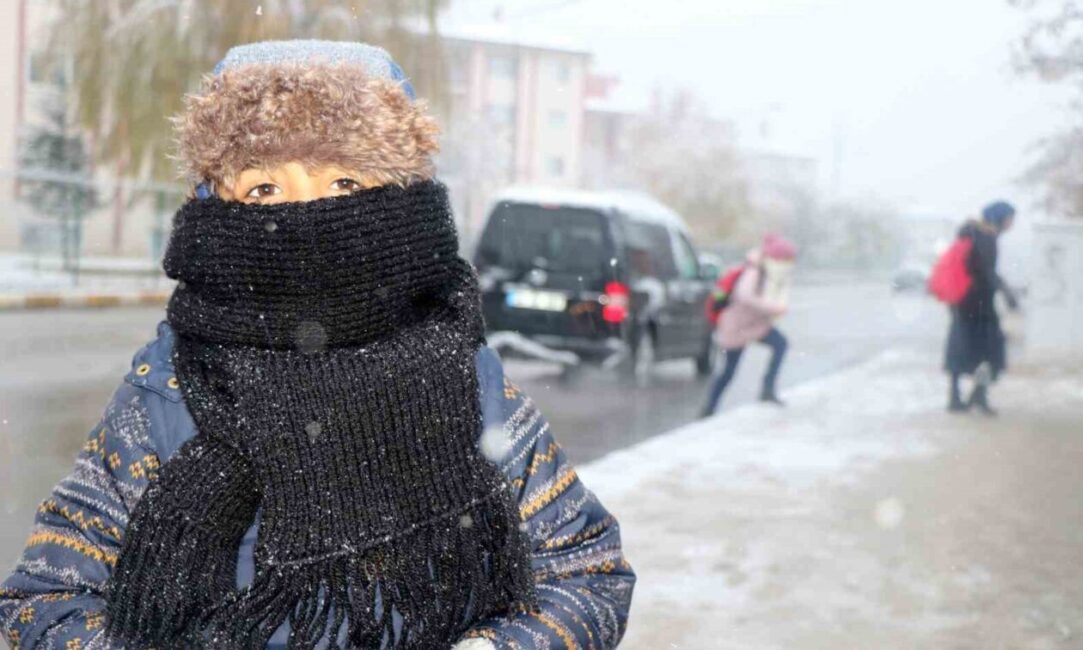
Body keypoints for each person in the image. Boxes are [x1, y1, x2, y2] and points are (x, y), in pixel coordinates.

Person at [0, 41, 634, 650]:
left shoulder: (463, 377)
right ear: (212, 208)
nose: (306, 218)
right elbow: (48, 596)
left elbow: (585, 574)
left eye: (345, 186)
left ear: (402, 201)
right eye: (264, 189)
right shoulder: (168, 389)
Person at [701, 233, 797, 417]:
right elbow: (744, 296)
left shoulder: (765, 270)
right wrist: (772, 307)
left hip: (753, 325)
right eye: (784, 258)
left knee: (780, 344)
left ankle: (767, 390)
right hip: (737, 327)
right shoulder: (753, 270)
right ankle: (709, 408)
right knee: (728, 371)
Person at [945, 200, 1019, 415]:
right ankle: (979, 395)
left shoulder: (970, 233)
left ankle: (956, 397)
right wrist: (1006, 292)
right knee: (991, 351)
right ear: (1000, 217)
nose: (1012, 223)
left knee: (961, 347)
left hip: (961, 302)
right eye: (1010, 218)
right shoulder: (987, 237)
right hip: (979, 304)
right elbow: (986, 271)